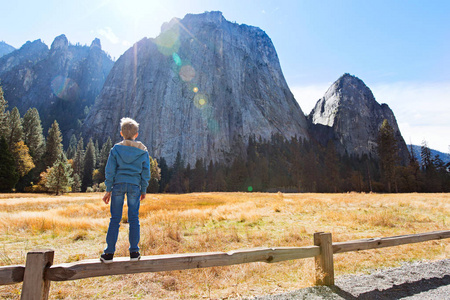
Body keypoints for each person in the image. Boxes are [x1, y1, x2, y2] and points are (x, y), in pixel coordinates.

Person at [100, 117, 151, 263]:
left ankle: (109, 253)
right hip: (135, 186)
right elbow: (146, 172)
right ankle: (134, 252)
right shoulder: (143, 151)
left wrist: (108, 189)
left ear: (121, 133)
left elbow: (110, 170)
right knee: (134, 218)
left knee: (115, 219)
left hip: (118, 185)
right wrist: (143, 189)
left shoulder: (116, 149)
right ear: (136, 134)